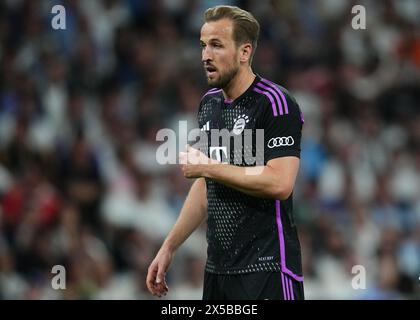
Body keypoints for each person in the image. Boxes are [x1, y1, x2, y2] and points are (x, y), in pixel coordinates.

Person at [146, 5, 305, 300]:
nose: (206, 55)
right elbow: (208, 188)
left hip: (267, 269)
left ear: (244, 53)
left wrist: (208, 166)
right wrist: (169, 246)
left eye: (216, 45)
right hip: (218, 273)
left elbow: (280, 183)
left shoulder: (275, 103)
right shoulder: (209, 105)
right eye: (203, 45)